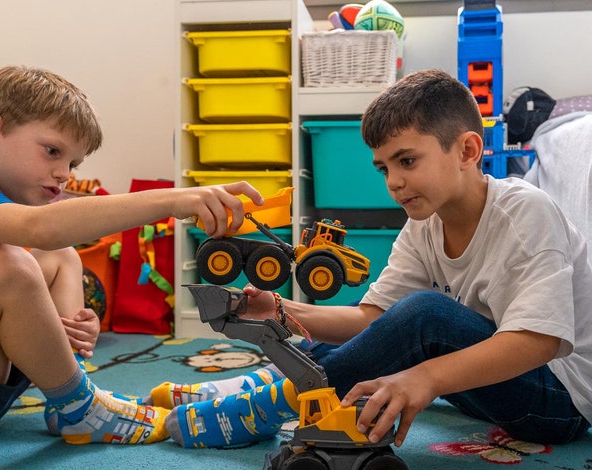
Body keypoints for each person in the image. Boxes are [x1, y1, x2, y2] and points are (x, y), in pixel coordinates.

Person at [151, 69, 592, 449]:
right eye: (384, 168)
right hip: (486, 383)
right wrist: (283, 310)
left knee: (426, 314)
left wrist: (427, 379)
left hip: (560, 400)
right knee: (373, 338)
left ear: (467, 151)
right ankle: (256, 386)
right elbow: (372, 321)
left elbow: (539, 342)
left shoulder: (525, 212)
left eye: (407, 161)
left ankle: (272, 406)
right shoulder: (424, 222)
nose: (394, 183)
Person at [0, 65, 264, 459]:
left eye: (72, 163)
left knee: (60, 255)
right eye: (52, 151)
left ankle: (69, 396)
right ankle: (81, 406)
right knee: (10, 265)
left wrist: (65, 327)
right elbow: (40, 228)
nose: (64, 173)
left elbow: (49, 242)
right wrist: (176, 199)